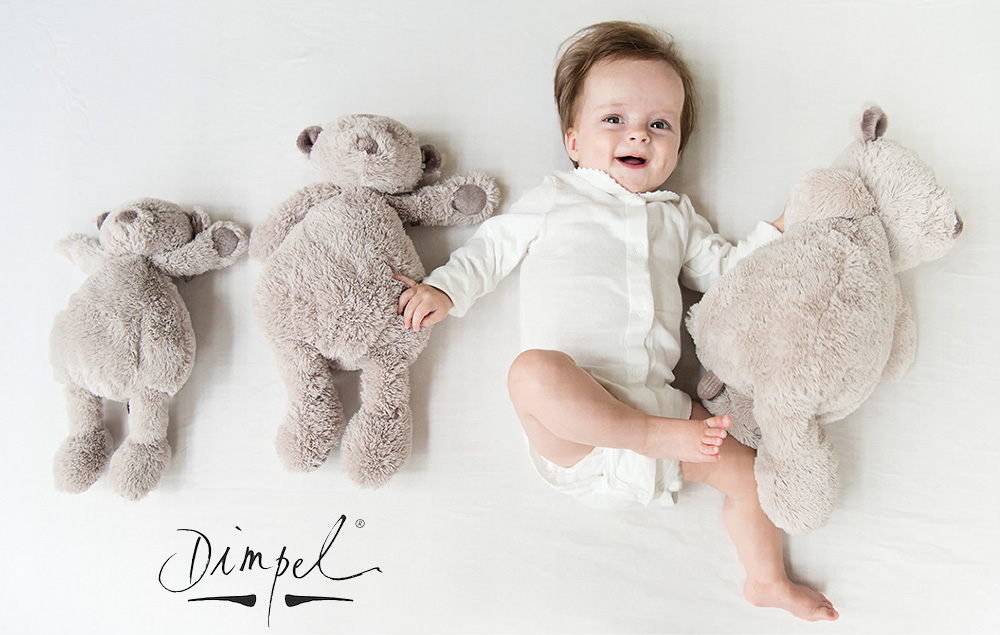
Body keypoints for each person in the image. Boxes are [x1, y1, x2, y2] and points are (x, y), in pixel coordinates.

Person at [395, 21, 838, 622]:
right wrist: (446, 289)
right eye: (614, 119)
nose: (638, 134)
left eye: (660, 124)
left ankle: (766, 579)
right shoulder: (555, 198)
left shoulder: (678, 219)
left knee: (756, 475)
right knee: (531, 373)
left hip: (664, 408)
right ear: (573, 140)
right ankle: (647, 436)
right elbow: (491, 249)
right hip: (579, 429)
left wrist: (778, 232)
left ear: (677, 148)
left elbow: (729, 276)